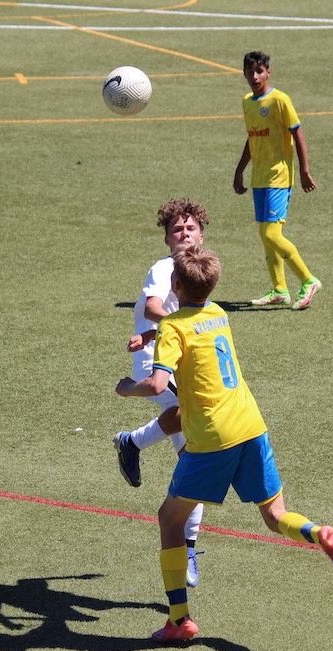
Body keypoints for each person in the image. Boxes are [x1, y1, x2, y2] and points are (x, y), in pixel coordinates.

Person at [116, 245, 333, 644]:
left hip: (212, 438)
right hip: (250, 425)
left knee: (170, 519)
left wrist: (128, 388)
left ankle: (179, 620)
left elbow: (158, 385)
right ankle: (319, 533)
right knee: (276, 515)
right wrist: (155, 332)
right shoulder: (219, 314)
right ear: (211, 287)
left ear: (175, 285)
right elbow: (192, 331)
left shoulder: (173, 327)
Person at [113, 198, 210, 587]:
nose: (184, 234)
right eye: (176, 230)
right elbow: (155, 306)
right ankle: (187, 547)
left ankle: (132, 443)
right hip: (155, 363)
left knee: (194, 456)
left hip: (178, 361)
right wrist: (159, 332)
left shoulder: (199, 270)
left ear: (201, 234)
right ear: (167, 239)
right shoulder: (164, 268)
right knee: (194, 443)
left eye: (190, 228)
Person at [233, 50, 322, 310]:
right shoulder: (247, 102)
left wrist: (304, 170)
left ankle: (308, 280)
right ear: (244, 74)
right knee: (265, 235)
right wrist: (240, 170)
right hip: (259, 177)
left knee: (272, 233)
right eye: (250, 72)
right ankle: (280, 289)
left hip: (279, 177)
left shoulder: (280, 100)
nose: (254, 76)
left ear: (268, 72)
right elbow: (252, 138)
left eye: (259, 71)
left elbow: (298, 133)